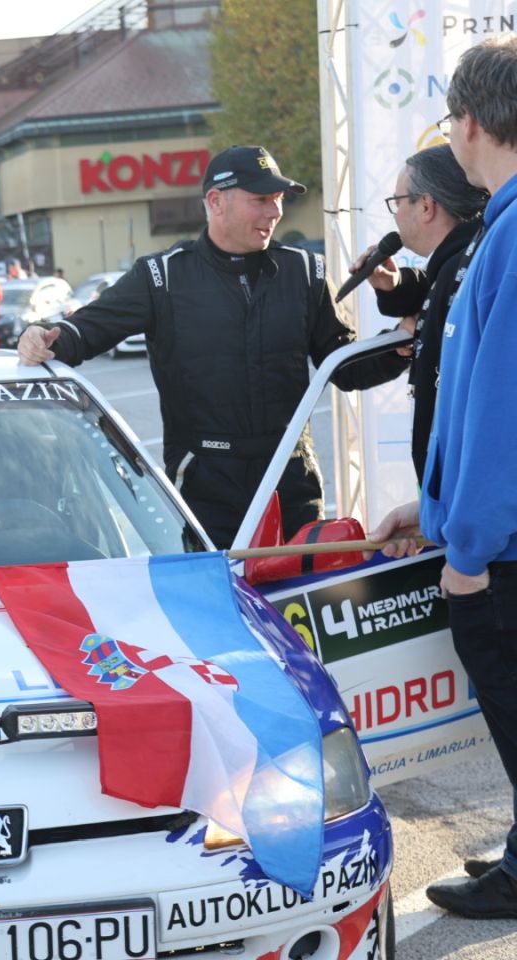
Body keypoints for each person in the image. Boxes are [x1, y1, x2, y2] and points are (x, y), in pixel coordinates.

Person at [18, 145, 408, 547]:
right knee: (216, 603)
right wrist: (44, 335)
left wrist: (398, 344)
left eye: (277, 200)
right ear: (215, 201)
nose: (274, 213)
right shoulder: (162, 276)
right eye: (260, 200)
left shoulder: (305, 271)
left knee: (300, 600)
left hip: (290, 479)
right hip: (205, 485)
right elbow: (85, 331)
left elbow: (344, 367)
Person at [371, 36, 517, 920]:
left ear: (468, 123)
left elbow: (500, 412)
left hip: (500, 550)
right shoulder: (499, 228)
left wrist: (466, 544)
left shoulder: (508, 237)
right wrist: (431, 507)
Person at [352, 143, 487, 478]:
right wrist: (396, 288)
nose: (395, 215)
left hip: (465, 493)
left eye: (397, 202)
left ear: (426, 205)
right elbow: (433, 290)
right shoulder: (461, 262)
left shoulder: (465, 269)